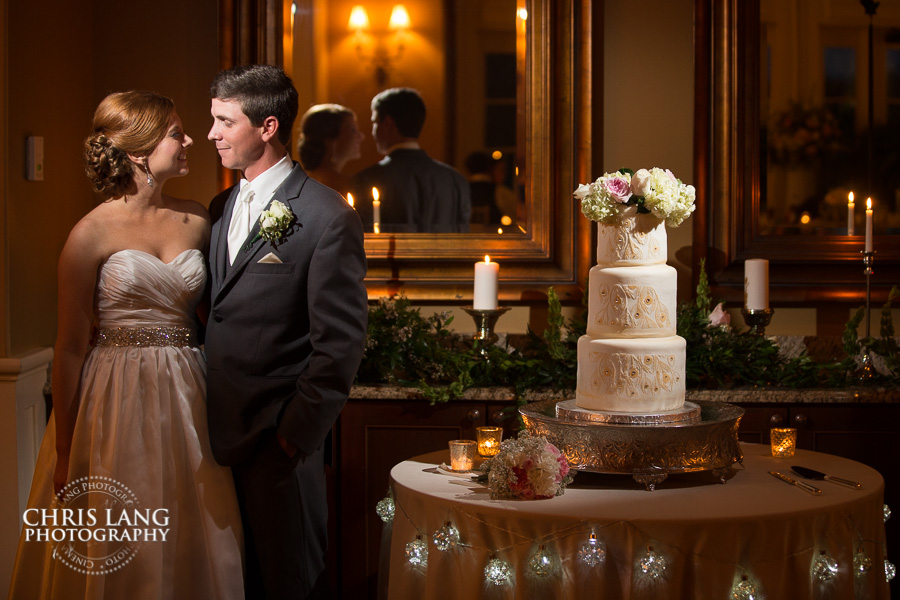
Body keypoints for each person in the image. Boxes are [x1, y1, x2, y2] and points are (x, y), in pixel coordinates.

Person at [7, 91, 244, 599]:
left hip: (188, 391)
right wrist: (67, 448)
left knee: (196, 519)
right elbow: (69, 346)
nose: (189, 142)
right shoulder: (89, 233)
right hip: (113, 395)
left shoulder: (200, 219)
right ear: (138, 151)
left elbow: (217, 315)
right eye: (176, 133)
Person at [205, 65, 368, 599]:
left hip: (278, 444)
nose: (213, 134)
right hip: (213, 438)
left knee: (287, 582)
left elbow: (340, 343)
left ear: (268, 127)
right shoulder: (221, 206)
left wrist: (293, 435)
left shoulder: (325, 217)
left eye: (225, 122)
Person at [352, 87, 471, 233]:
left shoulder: (367, 180)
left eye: (374, 123)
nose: (373, 131)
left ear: (388, 124)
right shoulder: (456, 179)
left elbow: (363, 240)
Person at [297, 103, 364, 198]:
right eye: (352, 130)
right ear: (330, 139)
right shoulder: (344, 186)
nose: (360, 137)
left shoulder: (303, 182)